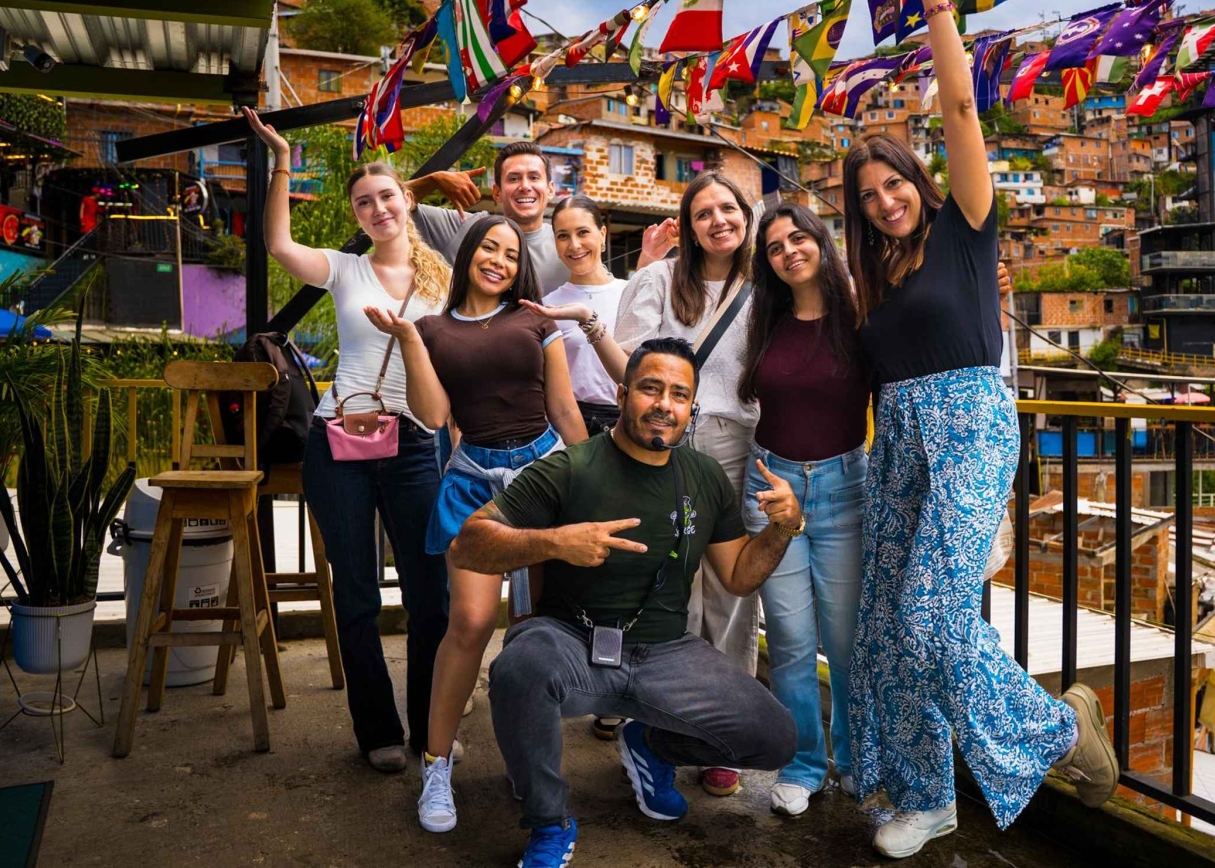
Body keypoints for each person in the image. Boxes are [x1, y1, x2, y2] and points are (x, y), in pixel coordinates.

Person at [840, 0, 1119, 860]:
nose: (885, 201)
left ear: (916, 181)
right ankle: (926, 796)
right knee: (890, 626)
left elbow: (960, 107)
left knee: (932, 614)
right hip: (896, 441)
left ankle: (1059, 729)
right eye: (868, 196)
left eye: (893, 184)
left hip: (969, 425)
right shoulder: (872, 278)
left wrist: (936, 3)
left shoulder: (966, 226)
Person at [455, 337, 802, 868]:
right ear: (622, 394)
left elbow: (738, 576)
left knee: (776, 738)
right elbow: (467, 545)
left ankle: (651, 747)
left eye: (679, 395)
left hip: (665, 651)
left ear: (691, 408)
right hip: (570, 641)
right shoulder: (571, 467)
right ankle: (549, 821)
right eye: (650, 389)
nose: (664, 404)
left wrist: (783, 527)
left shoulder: (705, 476)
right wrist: (555, 542)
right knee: (519, 669)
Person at [243, 107, 470, 783]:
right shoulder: (344, 269)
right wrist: (283, 161)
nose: (378, 209)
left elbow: (459, 368)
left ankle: (430, 726)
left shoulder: (445, 279)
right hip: (340, 443)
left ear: (408, 202)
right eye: (364, 202)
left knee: (431, 596)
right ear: (357, 215)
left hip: (417, 444)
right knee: (358, 595)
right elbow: (279, 244)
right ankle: (377, 730)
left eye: (387, 196)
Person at [364, 215, 588, 835]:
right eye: (489, 247)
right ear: (468, 254)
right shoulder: (433, 329)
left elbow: (563, 406)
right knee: (467, 622)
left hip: (543, 475)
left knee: (534, 631)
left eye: (511, 254)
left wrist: (595, 481)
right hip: (472, 482)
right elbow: (434, 414)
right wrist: (409, 340)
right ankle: (436, 765)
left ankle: (528, 760)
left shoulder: (535, 321)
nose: (499, 260)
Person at [613, 172, 762, 799]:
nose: (718, 221)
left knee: (731, 591)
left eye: (728, 209)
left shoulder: (766, 285)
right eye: (703, 213)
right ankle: (656, 731)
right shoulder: (658, 279)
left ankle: (722, 737)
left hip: (736, 442)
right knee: (665, 586)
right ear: (688, 225)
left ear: (747, 217)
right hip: (665, 443)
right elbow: (628, 358)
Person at [736, 202, 869, 818]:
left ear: (821, 241)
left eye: (798, 238)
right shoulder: (764, 318)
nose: (789, 251)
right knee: (789, 641)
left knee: (844, 642)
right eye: (774, 247)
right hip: (772, 487)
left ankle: (857, 760)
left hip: (845, 489)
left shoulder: (860, 316)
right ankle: (802, 765)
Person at [525, 195, 630, 438]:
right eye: (563, 236)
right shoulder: (547, 307)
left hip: (630, 418)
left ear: (602, 234)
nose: (574, 245)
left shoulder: (631, 293)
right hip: (571, 423)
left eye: (583, 232)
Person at [406, 141, 570, 290]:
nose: (525, 186)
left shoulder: (567, 244)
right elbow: (393, 204)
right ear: (497, 192)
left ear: (550, 189)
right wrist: (433, 180)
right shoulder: (465, 227)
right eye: (514, 179)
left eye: (534, 177)